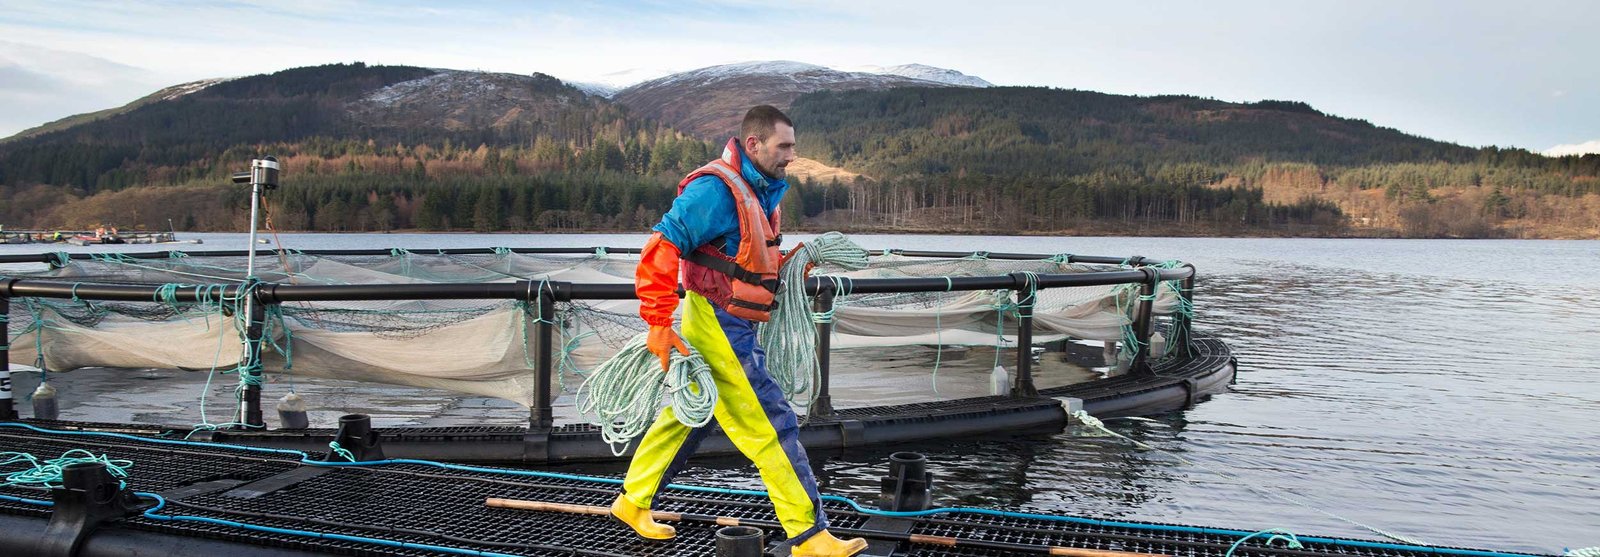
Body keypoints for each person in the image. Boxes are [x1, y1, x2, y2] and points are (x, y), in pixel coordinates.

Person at [612, 105, 867, 557]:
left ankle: (634, 500)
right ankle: (809, 537)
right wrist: (656, 322)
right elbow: (661, 246)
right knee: (771, 423)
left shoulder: (761, 190)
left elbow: (744, 260)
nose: (792, 154)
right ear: (754, 144)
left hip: (731, 319)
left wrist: (792, 265)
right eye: (784, 146)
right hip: (718, 320)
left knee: (692, 414)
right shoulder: (715, 189)